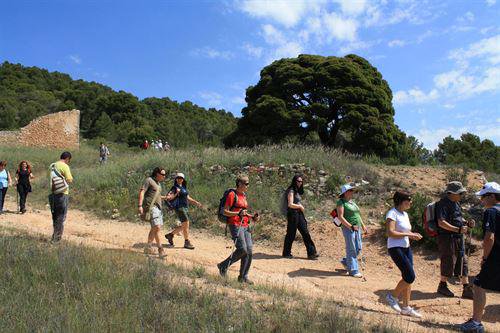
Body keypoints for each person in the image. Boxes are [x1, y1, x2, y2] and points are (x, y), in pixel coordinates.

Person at [459, 182, 500, 333]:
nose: (481, 200)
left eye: (483, 197)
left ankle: (476, 323)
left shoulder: (492, 212)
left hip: (496, 257)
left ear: (491, 196)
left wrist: (485, 258)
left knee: (478, 284)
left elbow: (489, 238)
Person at [384, 190, 423, 318]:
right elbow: (390, 232)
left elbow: (404, 231)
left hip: (406, 247)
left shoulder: (405, 214)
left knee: (408, 278)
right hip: (395, 248)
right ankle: (392, 297)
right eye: (409, 200)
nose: (411, 202)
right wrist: (410, 234)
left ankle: (406, 307)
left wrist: (412, 236)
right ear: (402, 201)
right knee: (410, 276)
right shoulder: (392, 213)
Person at [217, 174, 260, 284]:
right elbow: (225, 211)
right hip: (235, 224)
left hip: (245, 225)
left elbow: (243, 213)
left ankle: (243, 277)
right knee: (242, 249)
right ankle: (223, 266)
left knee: (249, 251)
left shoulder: (244, 195)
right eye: (246, 183)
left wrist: (252, 217)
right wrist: (238, 213)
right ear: (239, 184)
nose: (247, 185)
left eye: (248, 183)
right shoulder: (232, 194)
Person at [435, 181, 475, 299]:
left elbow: (458, 218)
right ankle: (442, 285)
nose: (462, 195)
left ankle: (466, 288)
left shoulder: (456, 203)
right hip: (447, 238)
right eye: (460, 193)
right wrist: (457, 229)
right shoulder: (442, 204)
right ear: (452, 193)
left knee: (463, 261)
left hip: (457, 237)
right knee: (448, 260)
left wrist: (467, 223)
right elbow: (441, 222)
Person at [282, 174, 318, 259]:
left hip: (299, 214)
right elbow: (290, 204)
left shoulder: (296, 191)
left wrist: (299, 206)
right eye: (298, 181)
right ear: (294, 181)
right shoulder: (291, 190)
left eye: (301, 181)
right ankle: (286, 253)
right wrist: (300, 206)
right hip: (293, 214)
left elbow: (296, 202)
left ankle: (312, 253)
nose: (300, 183)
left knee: (305, 232)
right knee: (291, 234)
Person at [164, 173, 203, 250]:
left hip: (185, 207)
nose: (179, 179)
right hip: (179, 208)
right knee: (186, 223)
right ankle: (186, 242)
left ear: (183, 179)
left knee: (184, 225)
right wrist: (176, 193)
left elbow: (187, 198)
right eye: (178, 178)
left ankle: (170, 235)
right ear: (176, 179)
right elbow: (169, 197)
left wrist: (196, 202)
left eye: (181, 178)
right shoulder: (174, 188)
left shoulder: (183, 188)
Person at [337, 183, 367, 278]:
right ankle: (353, 270)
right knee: (351, 248)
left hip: (357, 228)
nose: (352, 192)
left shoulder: (352, 202)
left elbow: (358, 215)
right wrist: (350, 226)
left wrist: (363, 226)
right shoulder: (341, 202)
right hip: (348, 228)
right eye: (350, 190)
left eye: (352, 190)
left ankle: (346, 262)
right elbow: (340, 217)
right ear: (345, 192)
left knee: (358, 248)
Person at [138, 167, 167, 258]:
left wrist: (166, 197)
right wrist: (140, 205)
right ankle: (160, 249)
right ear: (157, 174)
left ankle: (148, 247)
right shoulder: (149, 180)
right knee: (156, 227)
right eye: (162, 174)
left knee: (155, 228)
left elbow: (156, 196)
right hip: (151, 208)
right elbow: (142, 192)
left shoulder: (158, 185)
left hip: (158, 209)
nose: (164, 176)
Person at [48, 152, 73, 242]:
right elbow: (69, 179)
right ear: (67, 158)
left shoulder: (52, 165)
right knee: (61, 216)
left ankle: (54, 235)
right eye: (69, 160)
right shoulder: (65, 166)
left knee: (54, 216)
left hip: (52, 194)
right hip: (62, 194)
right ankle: (56, 239)